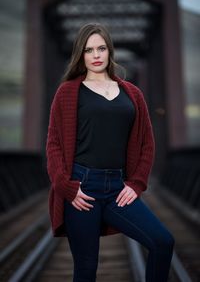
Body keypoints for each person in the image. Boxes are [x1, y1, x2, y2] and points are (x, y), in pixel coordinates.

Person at [46, 23, 174, 282]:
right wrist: (67, 187)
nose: (95, 55)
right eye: (88, 49)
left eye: (101, 48)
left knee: (162, 242)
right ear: (80, 55)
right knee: (86, 267)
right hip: (82, 188)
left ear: (109, 51)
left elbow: (147, 144)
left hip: (118, 188)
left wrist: (136, 183)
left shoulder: (132, 94)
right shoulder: (68, 92)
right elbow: (54, 144)